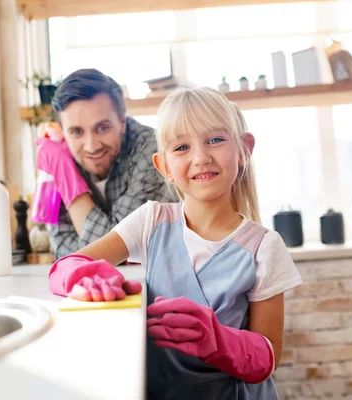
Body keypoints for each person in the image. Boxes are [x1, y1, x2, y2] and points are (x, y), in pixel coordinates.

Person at [47, 88, 303, 399]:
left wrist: (217, 340)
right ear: (164, 166)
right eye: (182, 147)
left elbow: (268, 357)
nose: (201, 157)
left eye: (216, 140)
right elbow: (65, 267)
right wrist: (90, 279)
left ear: (244, 149)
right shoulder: (151, 221)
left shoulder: (265, 247)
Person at [36, 68, 174, 259]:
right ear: (64, 131)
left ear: (122, 122)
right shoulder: (59, 156)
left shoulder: (152, 152)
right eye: (76, 132)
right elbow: (65, 254)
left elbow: (112, 250)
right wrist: (63, 168)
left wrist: (67, 180)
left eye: (102, 128)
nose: (91, 146)